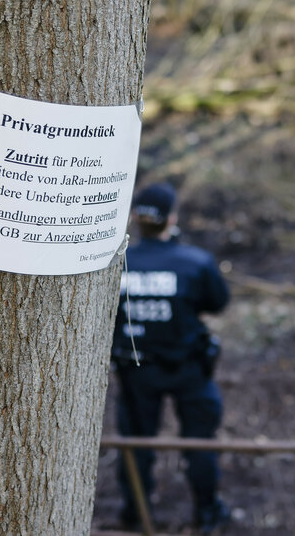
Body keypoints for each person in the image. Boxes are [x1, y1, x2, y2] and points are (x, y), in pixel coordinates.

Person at [111, 182, 231, 533]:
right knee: (198, 441)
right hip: (188, 368)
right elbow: (217, 303)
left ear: (136, 217)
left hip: (136, 370)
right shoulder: (194, 262)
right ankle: (207, 514)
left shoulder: (115, 262)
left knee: (136, 443)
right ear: (172, 218)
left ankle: (135, 514)